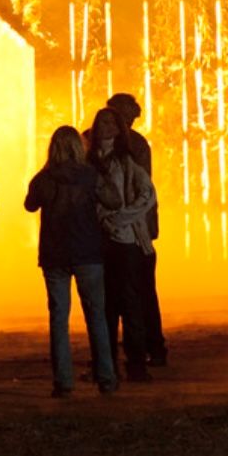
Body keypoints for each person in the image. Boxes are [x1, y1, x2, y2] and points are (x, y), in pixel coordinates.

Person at [26, 125, 113, 395]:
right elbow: (114, 199)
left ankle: (64, 382)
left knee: (59, 319)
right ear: (79, 147)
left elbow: (30, 204)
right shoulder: (90, 175)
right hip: (88, 252)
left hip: (54, 255)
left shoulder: (44, 178)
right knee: (97, 316)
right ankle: (106, 378)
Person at [88, 111, 158, 382]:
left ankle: (136, 364)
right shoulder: (87, 163)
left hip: (127, 242)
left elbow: (148, 194)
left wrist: (122, 218)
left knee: (130, 304)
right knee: (104, 307)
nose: (106, 127)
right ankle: (106, 365)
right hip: (98, 243)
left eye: (111, 122)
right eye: (102, 122)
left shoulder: (126, 162)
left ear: (118, 129)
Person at [105, 93, 169, 367]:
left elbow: (137, 191)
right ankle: (148, 348)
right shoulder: (136, 144)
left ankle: (141, 349)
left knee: (129, 294)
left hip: (128, 231)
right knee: (140, 293)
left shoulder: (132, 146)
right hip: (135, 230)